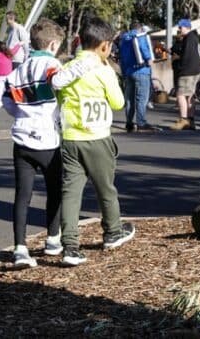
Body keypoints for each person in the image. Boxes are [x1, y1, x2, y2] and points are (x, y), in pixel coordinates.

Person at [56, 15, 134, 266]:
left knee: (70, 192)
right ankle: (112, 231)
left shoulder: (67, 69)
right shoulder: (103, 71)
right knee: (106, 188)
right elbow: (118, 103)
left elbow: (59, 96)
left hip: (70, 138)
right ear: (104, 46)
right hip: (98, 137)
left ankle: (69, 246)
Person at [3, 18, 65, 269]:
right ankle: (53, 239)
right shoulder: (52, 65)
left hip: (22, 137)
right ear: (52, 44)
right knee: (54, 191)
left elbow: (7, 102)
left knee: (23, 195)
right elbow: (59, 84)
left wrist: (21, 113)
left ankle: (20, 247)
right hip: (48, 139)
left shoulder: (17, 70)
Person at [119, 21, 156, 132]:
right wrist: (148, 58)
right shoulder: (139, 35)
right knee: (141, 98)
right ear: (140, 28)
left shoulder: (124, 39)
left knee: (129, 99)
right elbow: (143, 46)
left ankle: (129, 123)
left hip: (129, 72)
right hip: (142, 70)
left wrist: (124, 72)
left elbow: (122, 57)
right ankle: (141, 123)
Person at [170, 19, 200, 130]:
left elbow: (186, 56)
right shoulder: (194, 38)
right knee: (190, 96)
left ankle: (183, 119)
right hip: (196, 70)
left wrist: (179, 65)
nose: (179, 29)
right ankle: (191, 120)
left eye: (181, 27)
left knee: (180, 94)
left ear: (187, 27)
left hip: (187, 71)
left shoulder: (188, 38)